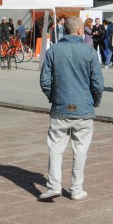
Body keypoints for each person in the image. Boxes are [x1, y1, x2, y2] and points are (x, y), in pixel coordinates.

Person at [38, 16, 103, 201]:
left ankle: (53, 186)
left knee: (55, 148)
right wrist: (95, 101)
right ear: (80, 31)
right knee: (80, 150)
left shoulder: (54, 51)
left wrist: (54, 97)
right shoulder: (89, 51)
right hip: (84, 108)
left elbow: (44, 81)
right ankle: (76, 189)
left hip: (60, 107)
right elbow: (97, 83)